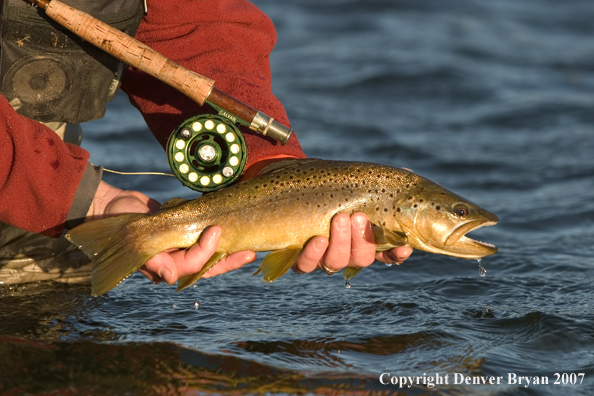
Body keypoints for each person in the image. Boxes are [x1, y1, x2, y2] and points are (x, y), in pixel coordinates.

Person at [0, 0, 412, 288]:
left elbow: (190, 22)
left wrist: (269, 164)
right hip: (41, 181)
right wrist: (79, 198)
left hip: (38, 182)